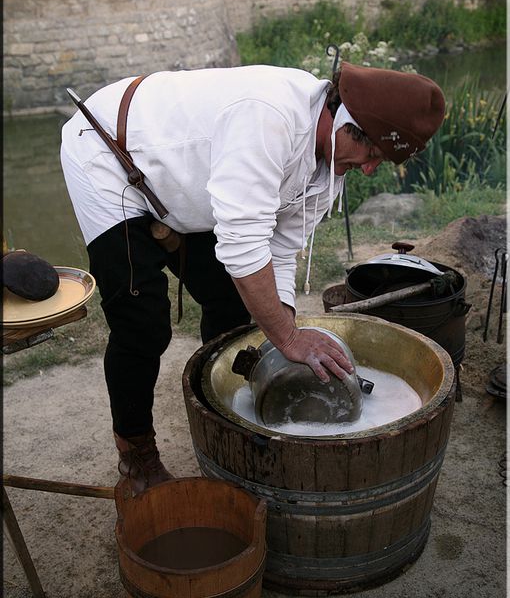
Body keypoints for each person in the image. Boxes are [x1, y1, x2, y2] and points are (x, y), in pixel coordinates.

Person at [60, 60, 445, 493]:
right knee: (142, 323)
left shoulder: (330, 166)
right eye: (372, 153)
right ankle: (136, 457)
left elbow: (278, 248)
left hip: (189, 176)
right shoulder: (269, 117)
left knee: (230, 299)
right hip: (110, 151)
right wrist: (289, 338)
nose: (370, 169)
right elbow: (242, 248)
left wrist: (283, 325)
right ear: (347, 124)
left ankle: (228, 415)